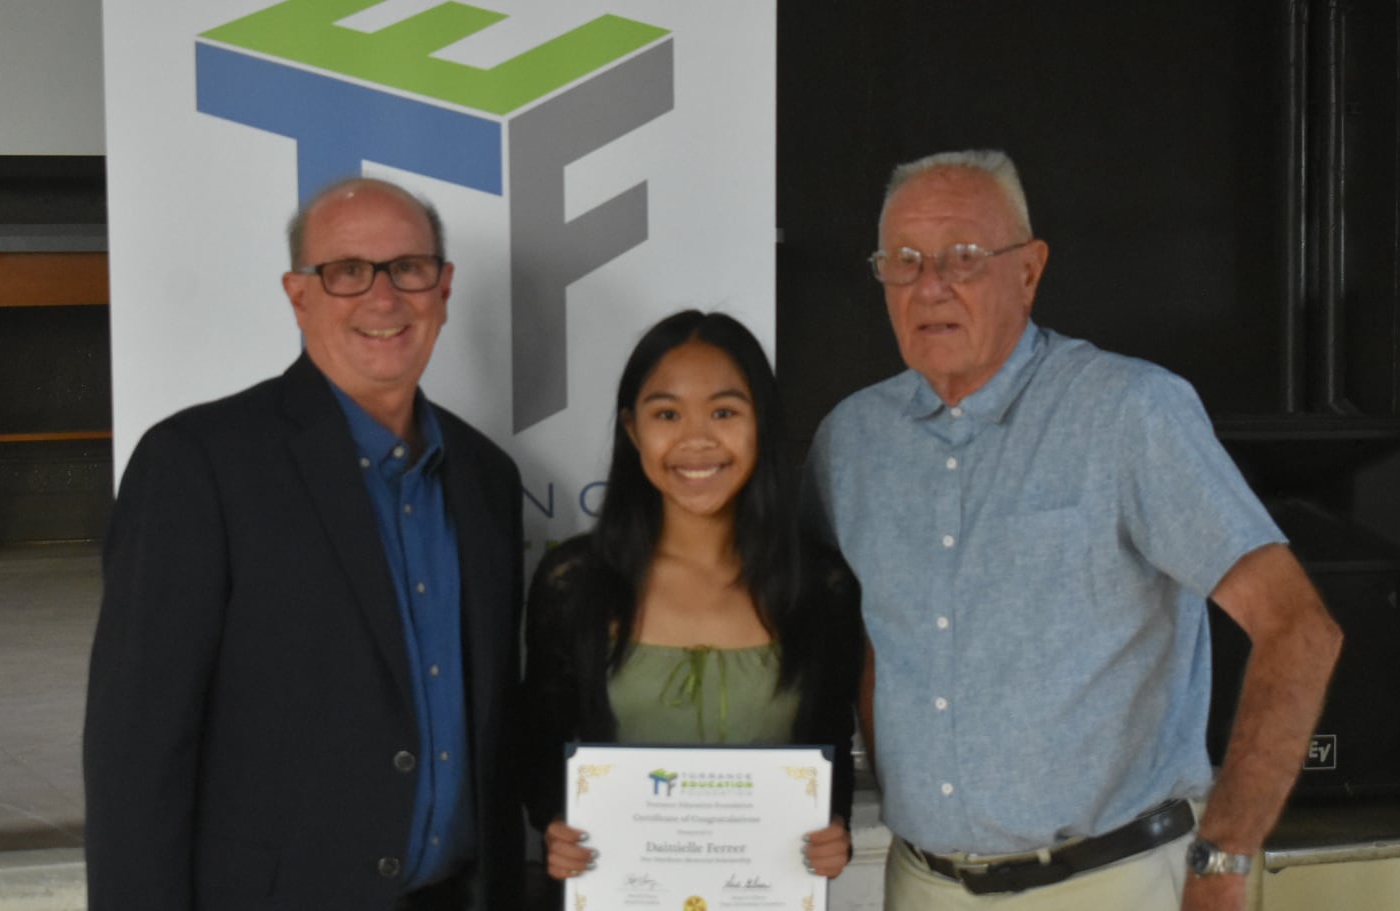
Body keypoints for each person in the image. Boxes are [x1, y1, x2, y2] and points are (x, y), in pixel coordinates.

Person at [803, 150, 1343, 911]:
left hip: (1112, 883)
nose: (930, 286)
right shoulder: (851, 443)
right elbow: (836, 639)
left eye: (963, 258)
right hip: (921, 885)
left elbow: (1300, 628)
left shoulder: (1131, 414)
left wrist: (1224, 861)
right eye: (904, 261)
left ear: (1028, 270)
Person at [83, 177, 525, 911]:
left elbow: (496, 727)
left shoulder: (487, 478)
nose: (383, 299)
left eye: (408, 268)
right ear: (299, 296)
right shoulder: (197, 464)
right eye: (347, 272)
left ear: (443, 289)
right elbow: (136, 751)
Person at [519, 310, 863, 894]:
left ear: (763, 425)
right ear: (632, 430)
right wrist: (555, 825)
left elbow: (830, 757)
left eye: (725, 412)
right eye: (667, 414)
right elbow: (540, 748)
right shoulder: (574, 582)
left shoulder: (821, 587)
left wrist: (836, 832)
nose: (696, 439)